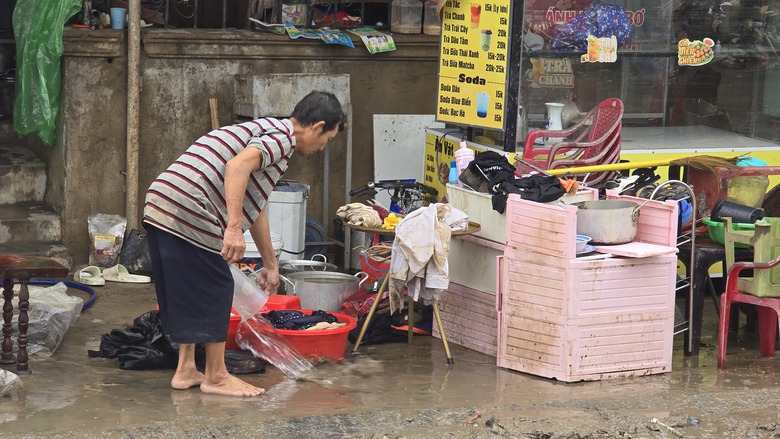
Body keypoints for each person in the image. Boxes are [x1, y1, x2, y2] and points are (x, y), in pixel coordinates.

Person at [143, 91, 344, 397]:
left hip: (162, 202)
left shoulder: (266, 130)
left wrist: (271, 263)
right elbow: (236, 168)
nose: (322, 147)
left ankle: (186, 369)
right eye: (328, 139)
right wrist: (233, 229)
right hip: (190, 206)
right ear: (317, 127)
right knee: (217, 286)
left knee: (188, 287)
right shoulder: (283, 138)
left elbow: (256, 204)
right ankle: (216, 376)